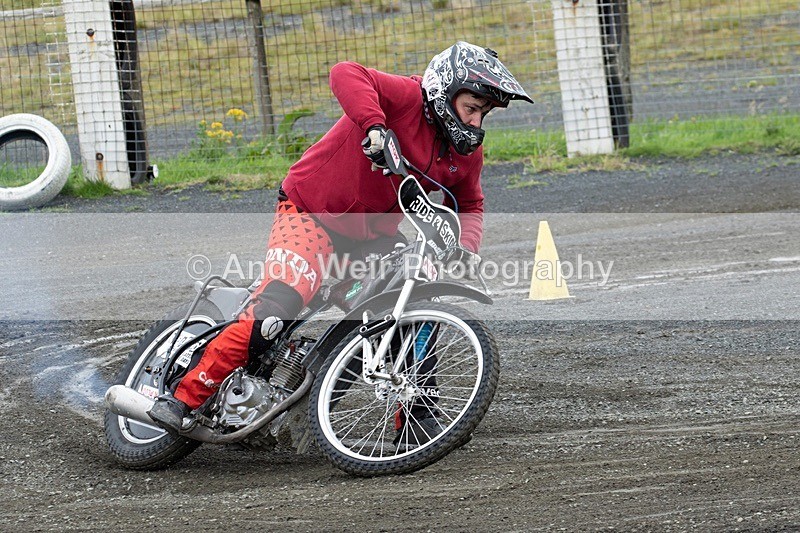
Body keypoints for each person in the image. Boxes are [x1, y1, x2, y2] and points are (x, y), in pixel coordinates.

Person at [148, 41, 533, 436]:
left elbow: (470, 201)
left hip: (370, 238)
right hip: (310, 212)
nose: (475, 123)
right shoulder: (406, 98)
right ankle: (182, 398)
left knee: (413, 300)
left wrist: (465, 249)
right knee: (283, 302)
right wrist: (375, 127)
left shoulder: (464, 153)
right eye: (471, 108)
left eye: (483, 115)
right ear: (444, 92)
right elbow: (345, 71)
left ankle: (416, 414)